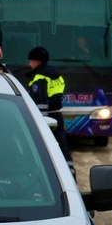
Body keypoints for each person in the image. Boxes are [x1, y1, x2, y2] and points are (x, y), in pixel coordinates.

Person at [25, 46, 76, 180]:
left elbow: (41, 102)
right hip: (57, 115)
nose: (29, 64)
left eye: (31, 61)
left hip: (45, 117)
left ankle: (44, 178)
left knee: (41, 147)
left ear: (37, 62)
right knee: (62, 147)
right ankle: (70, 177)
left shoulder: (39, 78)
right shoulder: (57, 75)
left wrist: (41, 121)